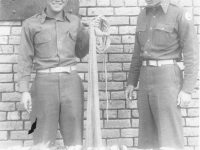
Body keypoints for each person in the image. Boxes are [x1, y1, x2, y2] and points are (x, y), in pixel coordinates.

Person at [18, 0, 101, 147]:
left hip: (71, 84)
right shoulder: (30, 24)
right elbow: (25, 59)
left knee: (75, 138)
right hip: (44, 85)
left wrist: (91, 33)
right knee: (42, 138)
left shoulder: (75, 22)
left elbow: (81, 52)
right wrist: (24, 90)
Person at [125, 0, 199, 149]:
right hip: (145, 78)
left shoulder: (179, 13)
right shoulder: (142, 15)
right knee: (147, 137)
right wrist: (131, 82)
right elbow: (137, 53)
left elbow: (192, 54)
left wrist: (187, 90)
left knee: (169, 136)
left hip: (167, 79)